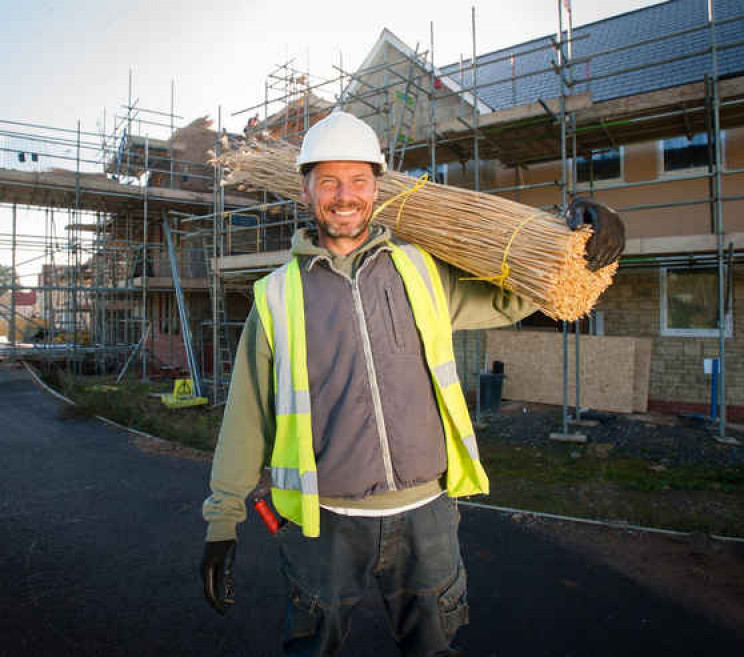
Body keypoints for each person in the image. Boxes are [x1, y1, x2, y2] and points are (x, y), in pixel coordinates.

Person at [200, 110, 624, 656]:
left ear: (377, 188)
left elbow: (517, 294)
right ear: (306, 190)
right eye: (328, 181)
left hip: (427, 519)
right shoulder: (276, 297)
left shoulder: (420, 271)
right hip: (321, 524)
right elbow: (246, 418)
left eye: (358, 180)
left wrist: (578, 240)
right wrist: (221, 522)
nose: (344, 195)